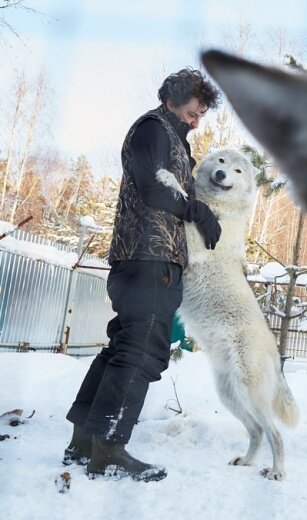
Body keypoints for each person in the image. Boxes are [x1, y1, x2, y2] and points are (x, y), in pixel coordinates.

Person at [62, 68, 222, 482]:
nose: (196, 121)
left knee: (122, 348)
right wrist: (197, 211)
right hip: (149, 262)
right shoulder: (153, 130)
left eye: (202, 114)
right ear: (172, 100)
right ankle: (109, 450)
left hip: (140, 261)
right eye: (193, 111)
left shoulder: (169, 136)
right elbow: (153, 188)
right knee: (140, 354)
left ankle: (84, 443)